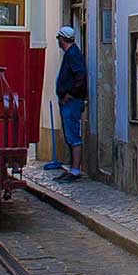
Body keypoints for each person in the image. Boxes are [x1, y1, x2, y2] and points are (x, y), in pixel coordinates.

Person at [54, 26, 87, 183]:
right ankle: (73, 168)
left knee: (73, 135)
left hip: (72, 102)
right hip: (70, 101)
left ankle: (75, 170)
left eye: (58, 38)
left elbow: (80, 76)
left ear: (62, 39)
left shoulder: (73, 54)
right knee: (70, 135)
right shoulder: (71, 54)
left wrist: (69, 94)